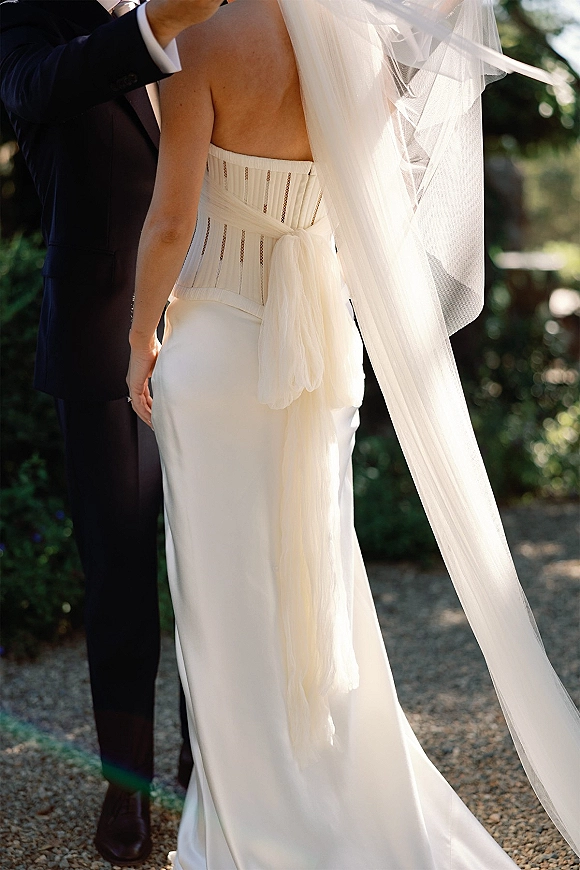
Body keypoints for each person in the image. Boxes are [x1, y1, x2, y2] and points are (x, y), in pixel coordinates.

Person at [128, 0, 580, 866]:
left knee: (226, 606)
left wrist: (138, 339)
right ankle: (334, 794)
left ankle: (248, 828)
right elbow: (371, 207)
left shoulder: (198, 38)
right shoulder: (359, 48)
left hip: (219, 348)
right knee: (318, 583)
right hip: (322, 350)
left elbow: (172, 223)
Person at [0, 0, 223, 863]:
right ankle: (124, 788)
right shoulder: (30, 24)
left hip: (220, 329)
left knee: (215, 565)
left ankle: (204, 762)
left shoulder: (221, 20)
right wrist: (153, 25)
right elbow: (30, 91)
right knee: (121, 573)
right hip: (102, 343)